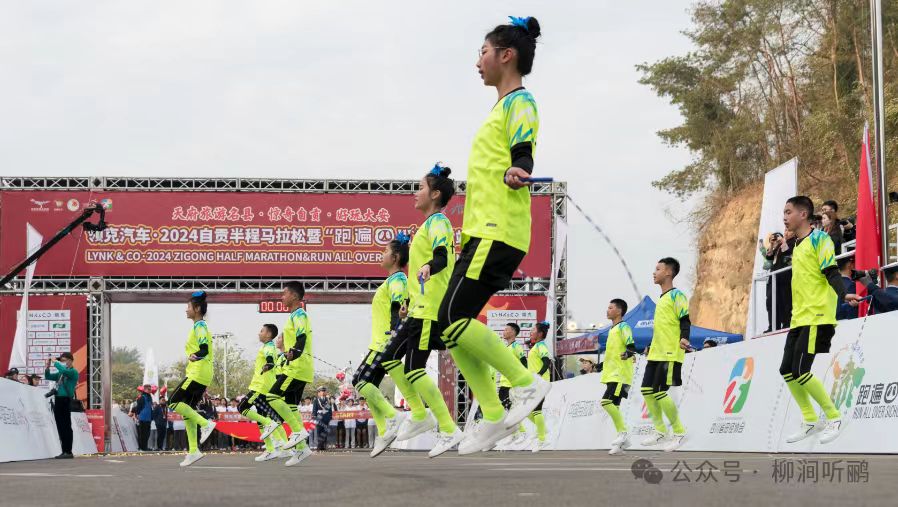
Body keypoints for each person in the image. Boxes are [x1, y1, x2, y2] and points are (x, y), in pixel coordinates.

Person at [435, 15, 551, 456]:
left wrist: (520, 166)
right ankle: (494, 413)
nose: (477, 61)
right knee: (450, 328)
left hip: (497, 230)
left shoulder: (520, 102)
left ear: (506, 55)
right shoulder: (498, 109)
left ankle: (525, 383)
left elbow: (524, 147)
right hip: (480, 233)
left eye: (483, 52)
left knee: (453, 317)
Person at [392, 164, 465, 457]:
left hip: (429, 311)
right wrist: (407, 303)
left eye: (420, 187)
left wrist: (428, 266)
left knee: (412, 368)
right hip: (418, 309)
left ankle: (446, 427)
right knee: (391, 359)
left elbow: (443, 257)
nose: (415, 193)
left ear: (435, 194)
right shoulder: (426, 225)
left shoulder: (438, 222)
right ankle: (421, 415)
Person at [781, 196, 855, 445]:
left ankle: (833, 417)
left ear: (803, 214)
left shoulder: (820, 239)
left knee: (801, 371)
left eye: (788, 212)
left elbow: (831, 271)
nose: (784, 217)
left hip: (817, 315)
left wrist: (844, 294)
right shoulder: (797, 245)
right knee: (786, 371)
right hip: (799, 318)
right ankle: (810, 419)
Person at [351, 233, 424, 458]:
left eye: (385, 251)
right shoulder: (391, 280)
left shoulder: (398, 280)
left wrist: (394, 336)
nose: (381, 254)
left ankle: (393, 417)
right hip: (380, 342)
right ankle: (384, 431)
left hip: (384, 343)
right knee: (368, 384)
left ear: (395, 257)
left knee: (359, 381)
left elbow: (398, 309)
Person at [641, 257, 691, 452]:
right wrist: (649, 346)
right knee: (647, 390)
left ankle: (679, 432)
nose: (654, 273)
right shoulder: (661, 299)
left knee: (660, 392)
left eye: (658, 269)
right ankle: (661, 431)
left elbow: (685, 319)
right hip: (655, 353)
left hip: (670, 353)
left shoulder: (677, 295)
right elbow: (663, 328)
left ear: (668, 272)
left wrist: (684, 337)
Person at [167, 291, 218, 467]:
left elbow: (204, 349)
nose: (186, 310)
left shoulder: (200, 326)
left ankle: (205, 424)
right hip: (201, 372)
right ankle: (193, 451)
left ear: (197, 309)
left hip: (197, 373)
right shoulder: (198, 326)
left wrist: (196, 355)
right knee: (187, 411)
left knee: (173, 402)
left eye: (188, 307)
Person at [266, 281, 313, 466]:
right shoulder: (293, 316)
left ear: (294, 296)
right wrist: (288, 351)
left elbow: (302, 337)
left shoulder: (299, 314)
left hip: (297, 368)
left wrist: (295, 352)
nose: (281, 297)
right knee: (291, 406)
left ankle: (298, 432)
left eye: (284, 293)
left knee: (272, 396)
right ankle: (302, 449)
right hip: (296, 366)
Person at [238, 323, 290, 463]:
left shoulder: (268, 347)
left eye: (261, 331)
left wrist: (268, 364)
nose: (259, 333)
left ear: (268, 334)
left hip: (260, 387)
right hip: (263, 386)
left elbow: (270, 360)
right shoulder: (268, 346)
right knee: (262, 419)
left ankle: (279, 443)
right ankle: (272, 449)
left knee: (242, 407)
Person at [601, 299, 636, 455]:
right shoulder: (612, 329)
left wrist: (628, 353)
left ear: (619, 311)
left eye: (611, 307)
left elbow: (631, 346)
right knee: (614, 406)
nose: (607, 310)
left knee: (606, 402)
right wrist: (599, 366)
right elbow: (612, 354)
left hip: (620, 375)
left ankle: (623, 433)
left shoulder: (623, 326)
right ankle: (622, 442)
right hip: (611, 374)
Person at [497, 323, 528, 445]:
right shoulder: (506, 347)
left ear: (513, 332)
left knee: (510, 409)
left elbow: (524, 362)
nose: (504, 332)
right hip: (504, 383)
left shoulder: (516, 346)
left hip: (511, 384)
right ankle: (515, 433)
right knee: (506, 410)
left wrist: (521, 379)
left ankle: (521, 432)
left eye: (506, 329)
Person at [44, 352, 78, 459]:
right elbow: (48, 376)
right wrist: (47, 367)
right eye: (61, 361)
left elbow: (64, 371)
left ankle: (68, 451)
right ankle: (64, 451)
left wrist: (56, 362)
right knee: (60, 426)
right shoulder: (60, 373)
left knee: (66, 426)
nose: (62, 362)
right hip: (58, 399)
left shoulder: (73, 372)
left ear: (70, 360)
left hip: (66, 399)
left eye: (63, 360)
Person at [525, 321, 552, 453]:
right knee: (527, 410)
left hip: (541, 382)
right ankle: (542, 429)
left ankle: (542, 440)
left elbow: (547, 361)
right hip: (534, 382)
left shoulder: (541, 346)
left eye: (533, 330)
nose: (531, 332)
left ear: (540, 333)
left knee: (536, 410)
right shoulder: (536, 346)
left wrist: (539, 375)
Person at [765, 231, 794, 332]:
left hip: (785, 277)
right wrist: (772, 244)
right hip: (775, 277)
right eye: (785, 230)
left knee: (785, 301)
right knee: (771, 301)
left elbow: (788, 252)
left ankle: (786, 324)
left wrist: (783, 241)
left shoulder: (793, 241)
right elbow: (769, 256)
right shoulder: (778, 246)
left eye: (788, 230)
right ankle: (773, 326)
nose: (786, 231)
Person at [131, 384, 154, 451]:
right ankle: (142, 448)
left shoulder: (150, 397)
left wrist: (152, 416)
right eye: (149, 389)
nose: (150, 390)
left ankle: (145, 447)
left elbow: (150, 408)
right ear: (145, 389)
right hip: (142, 418)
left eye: (150, 389)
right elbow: (138, 407)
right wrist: (137, 414)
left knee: (147, 434)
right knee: (142, 434)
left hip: (148, 419)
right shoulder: (142, 397)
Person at [312, 386, 333, 451]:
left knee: (325, 432)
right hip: (319, 416)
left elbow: (329, 409)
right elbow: (314, 409)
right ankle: (319, 446)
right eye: (322, 391)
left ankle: (324, 445)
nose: (323, 392)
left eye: (324, 391)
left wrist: (330, 417)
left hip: (326, 416)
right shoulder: (316, 400)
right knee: (319, 431)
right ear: (319, 392)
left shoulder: (328, 400)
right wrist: (314, 417)